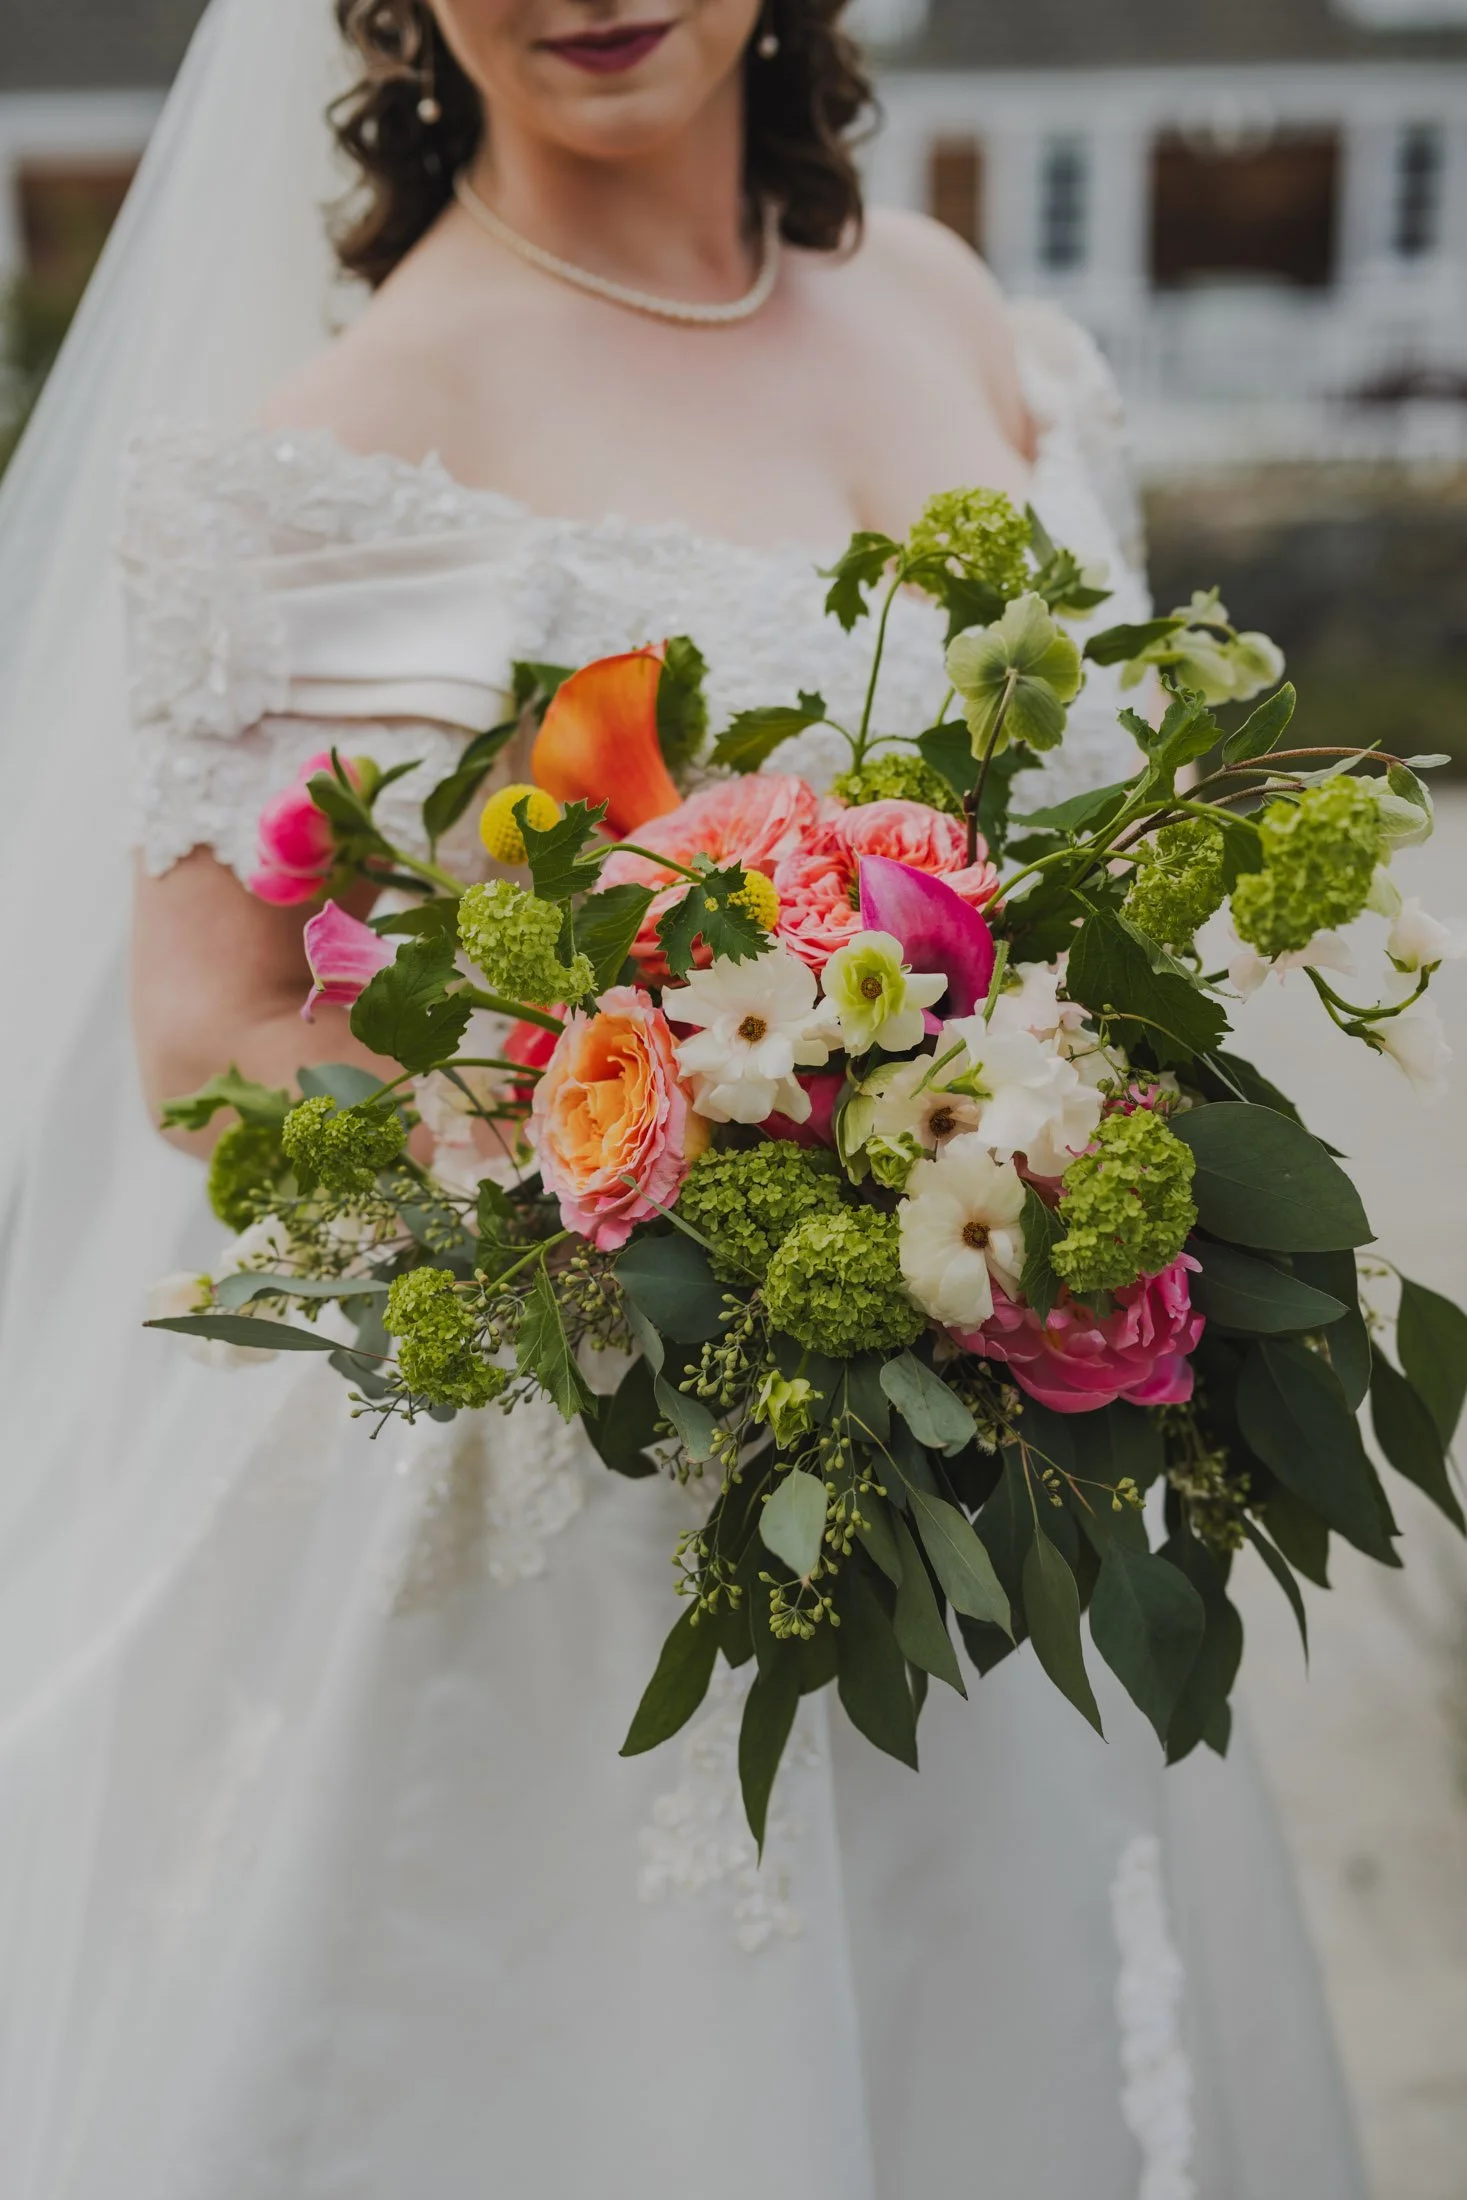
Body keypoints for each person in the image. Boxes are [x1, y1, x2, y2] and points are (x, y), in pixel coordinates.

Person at [0, 4, 1367, 2194]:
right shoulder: (353, 443)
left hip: (1001, 1501)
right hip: (605, 1536)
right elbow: (219, 1044)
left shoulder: (938, 302)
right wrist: (702, 1177)